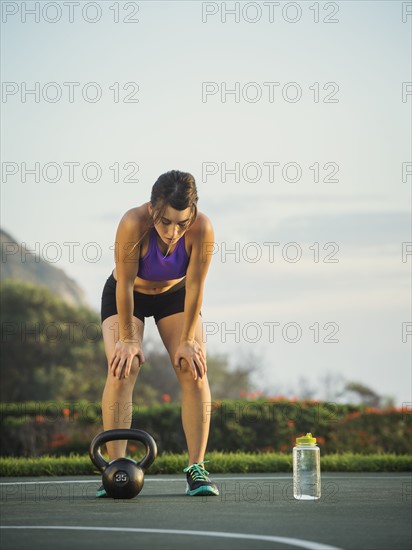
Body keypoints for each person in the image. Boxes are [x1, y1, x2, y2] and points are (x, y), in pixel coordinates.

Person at [97, 170, 219, 497]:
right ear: (153, 209)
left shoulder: (202, 229)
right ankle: (116, 468)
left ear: (192, 213)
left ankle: (197, 468)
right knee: (124, 367)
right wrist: (127, 339)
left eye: (182, 223)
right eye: (165, 222)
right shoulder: (132, 223)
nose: (172, 232)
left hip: (175, 295)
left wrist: (188, 341)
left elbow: (195, 287)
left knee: (193, 368)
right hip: (129, 294)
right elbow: (124, 285)